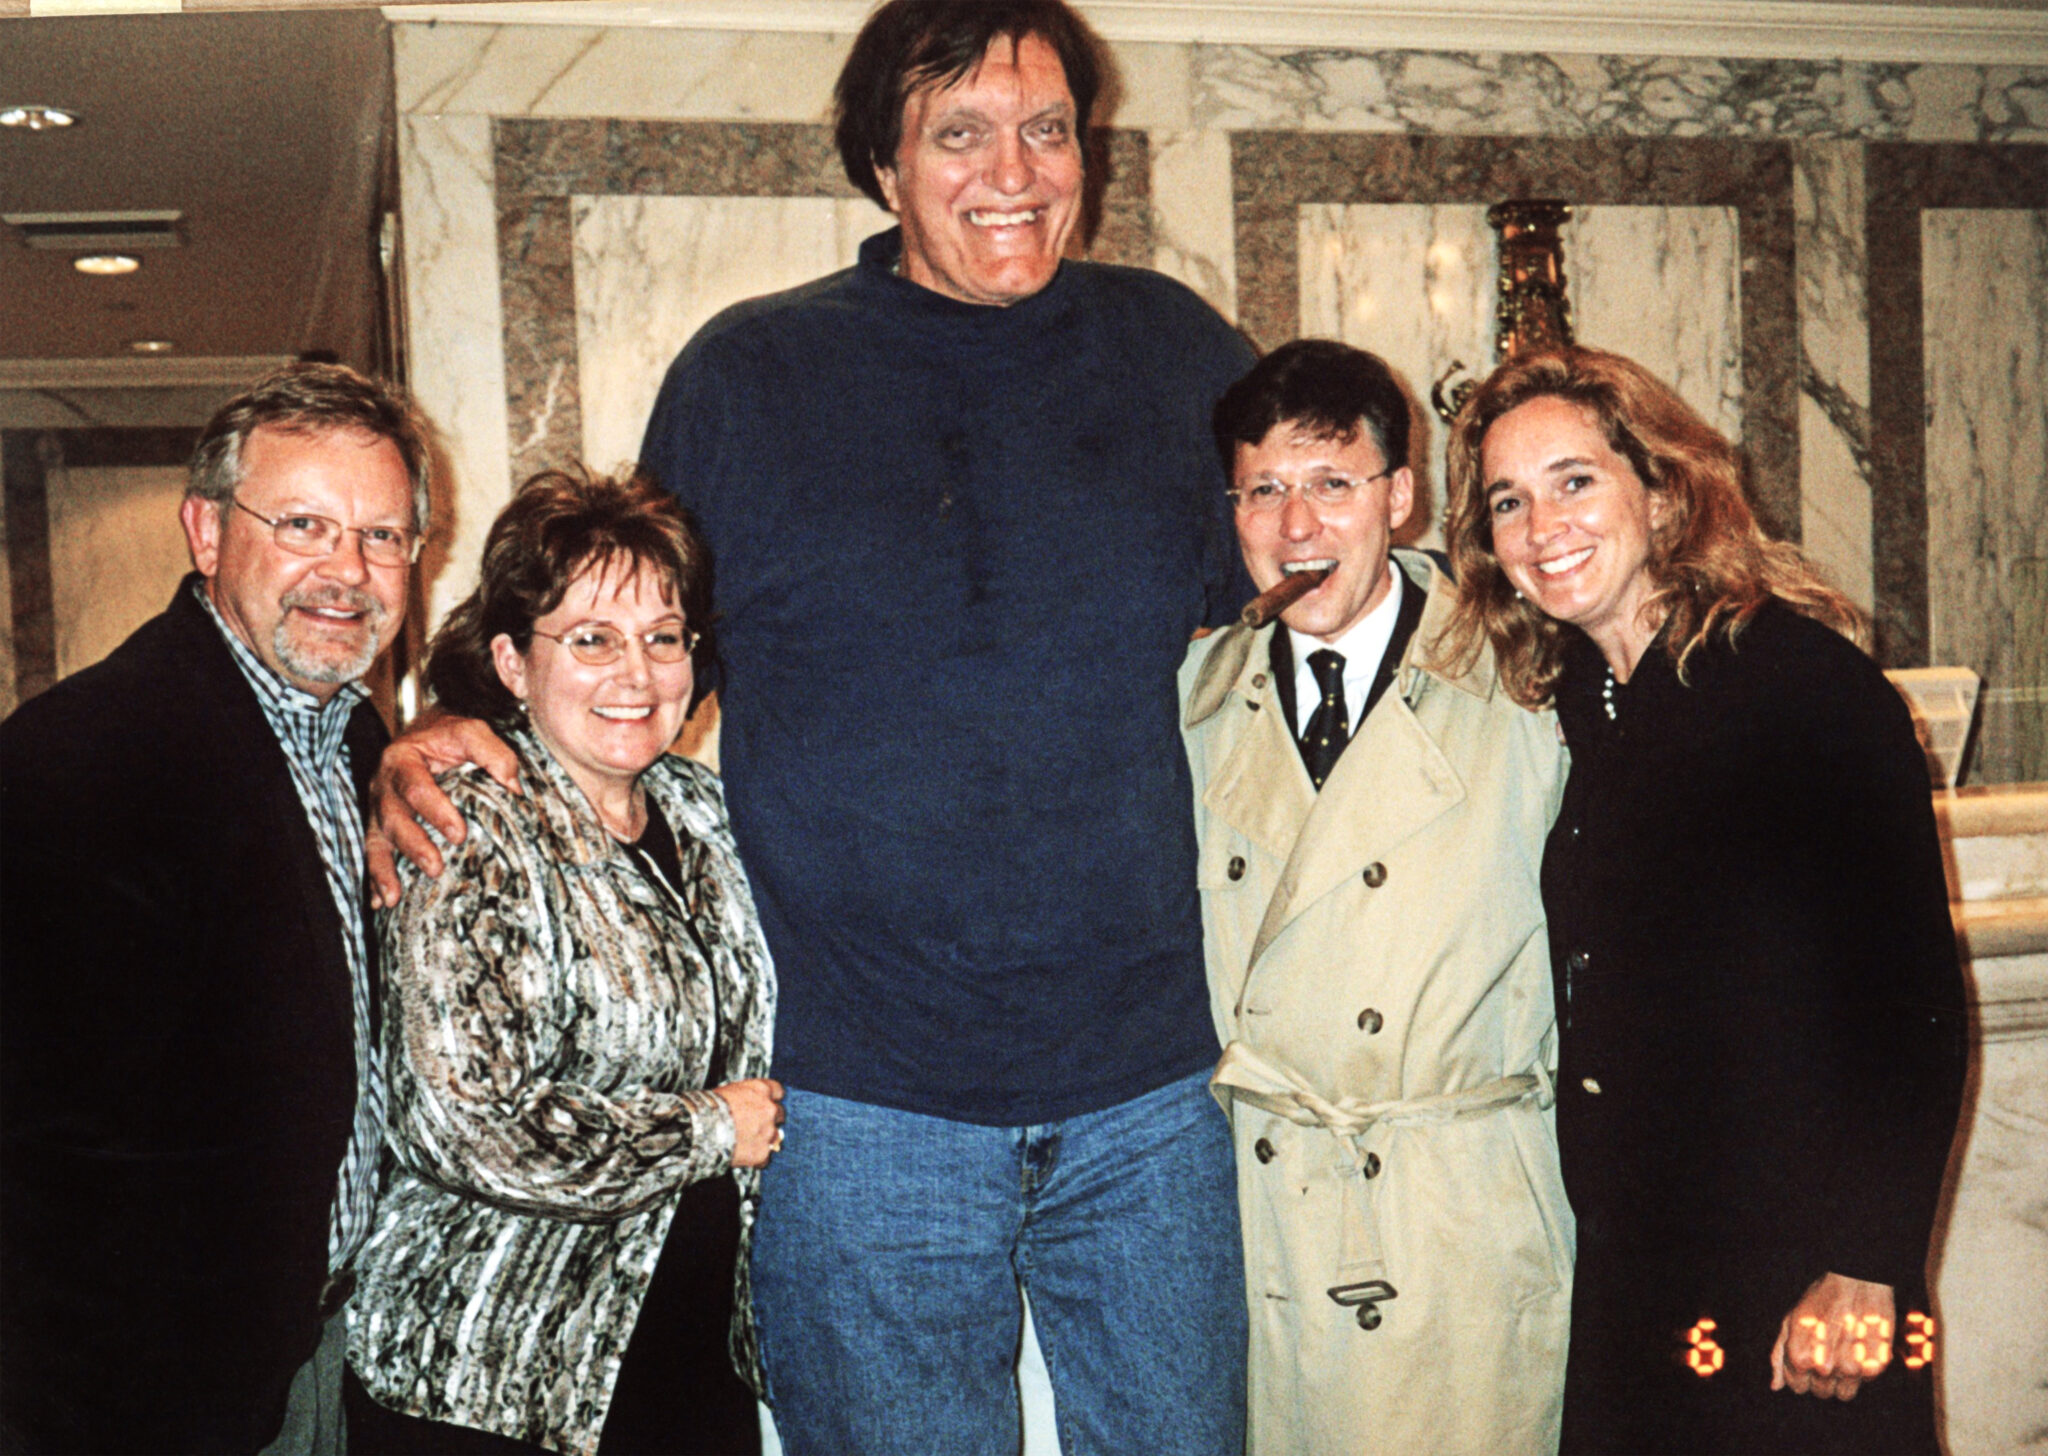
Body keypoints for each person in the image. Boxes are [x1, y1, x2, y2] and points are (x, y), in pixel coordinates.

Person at [367, 2, 1257, 1450]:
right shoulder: (752, 377)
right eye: (960, 133)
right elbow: (614, 630)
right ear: (883, 167)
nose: (1015, 172)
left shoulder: (1176, 353)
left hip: (1147, 1092)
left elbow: (1300, 627)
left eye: (1048, 130)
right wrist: (443, 719)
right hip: (855, 1105)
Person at [1438, 345, 1968, 1454]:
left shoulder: (1801, 687)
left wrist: (1865, 1262)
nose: (1541, 526)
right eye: (1507, 501)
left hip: (1797, 1277)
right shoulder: (1587, 701)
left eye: (1574, 480)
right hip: (1643, 1268)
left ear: (1662, 487)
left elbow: (1909, 1005)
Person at [0, 364, 431, 1453]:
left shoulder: (356, 740)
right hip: (156, 1395)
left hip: (323, 1352)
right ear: (206, 530)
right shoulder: (81, 761)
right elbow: (39, 1160)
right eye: (303, 524)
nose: (347, 571)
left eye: (382, 536)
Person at [1181, 339, 1573, 1455]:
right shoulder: (1199, 693)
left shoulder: (1527, 672)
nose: (1296, 527)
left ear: (1400, 498)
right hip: (1268, 1222)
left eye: (1331, 484)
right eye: (1263, 490)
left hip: (1457, 1222)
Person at [342, 471, 782, 1456]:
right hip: (493, 1380)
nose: (636, 674)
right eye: (590, 639)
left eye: (662, 637)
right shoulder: (467, 824)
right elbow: (463, 1121)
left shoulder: (705, 810)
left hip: (683, 1361)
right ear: (511, 660)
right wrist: (710, 1129)